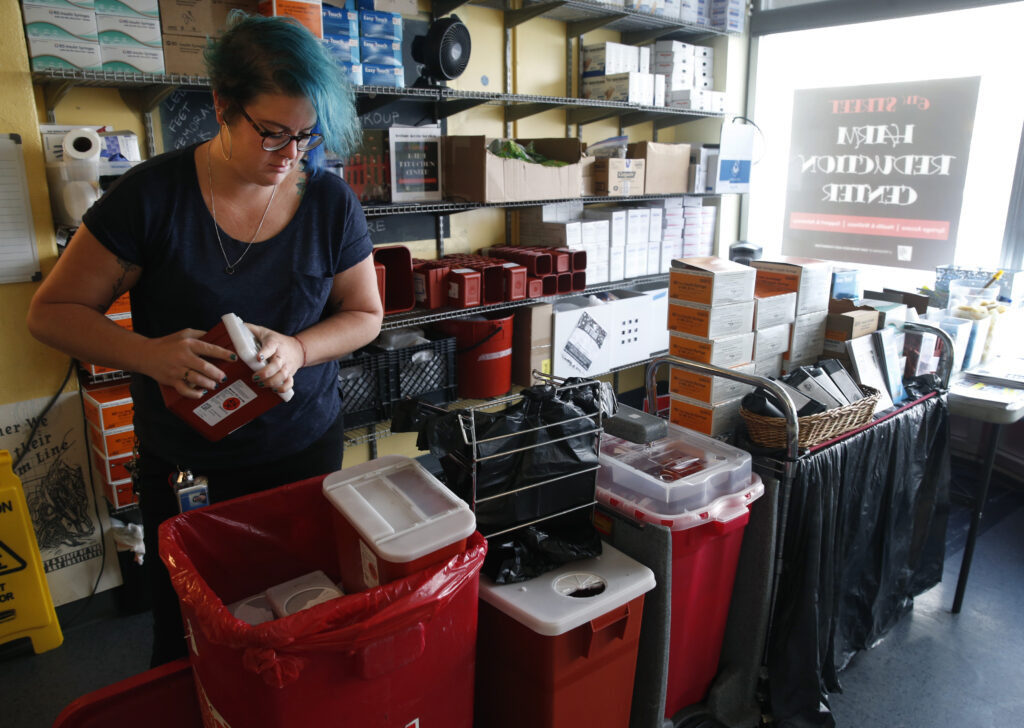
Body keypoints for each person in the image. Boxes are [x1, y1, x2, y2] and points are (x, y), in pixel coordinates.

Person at [27, 12, 383, 666]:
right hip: (191, 464)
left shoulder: (329, 203)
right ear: (222, 106)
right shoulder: (150, 199)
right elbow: (52, 312)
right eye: (272, 133)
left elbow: (364, 314)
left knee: (296, 617)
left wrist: (300, 349)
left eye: (306, 137)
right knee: (189, 633)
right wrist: (149, 353)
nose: (290, 156)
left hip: (301, 446)